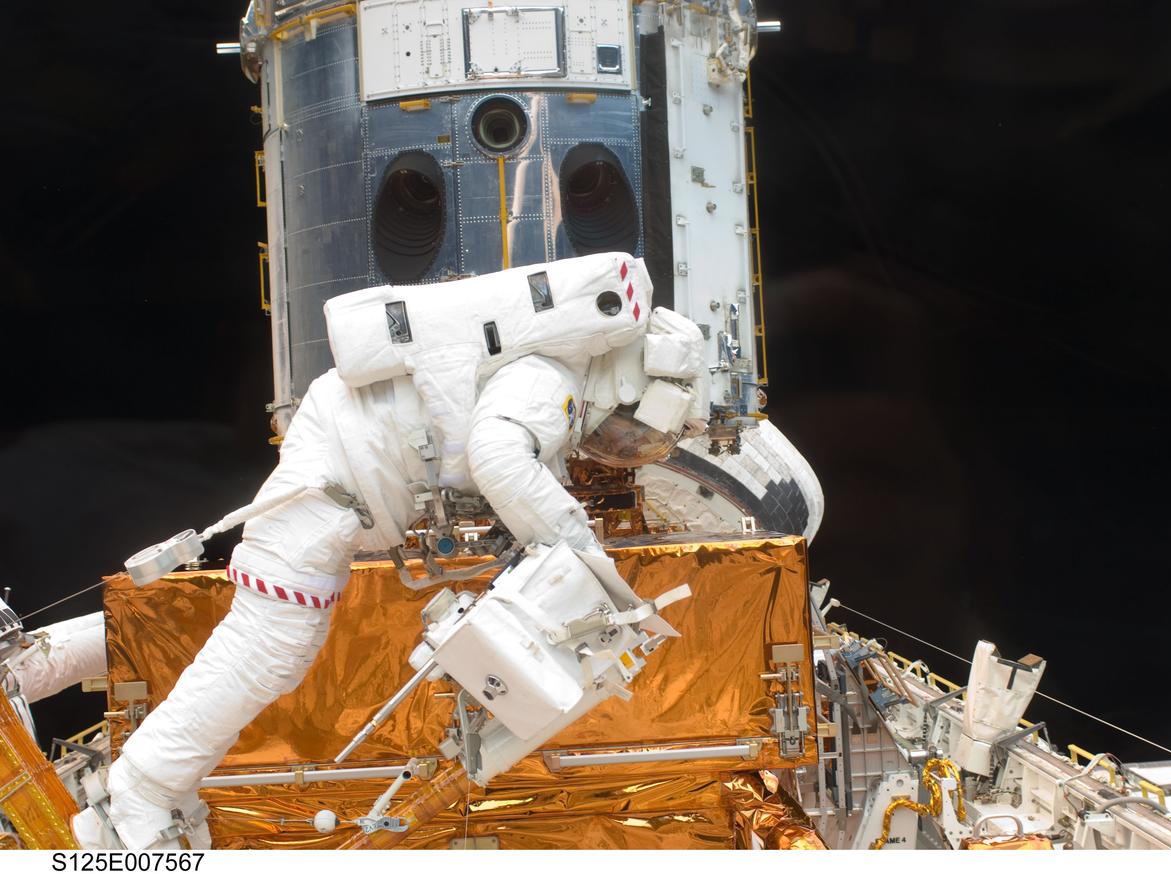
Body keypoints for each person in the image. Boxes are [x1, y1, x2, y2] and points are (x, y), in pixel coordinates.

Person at [79, 253, 707, 849]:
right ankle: (141, 790)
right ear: (625, 382)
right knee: (273, 642)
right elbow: (496, 455)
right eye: (631, 428)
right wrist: (580, 550)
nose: (620, 444)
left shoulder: (551, 374)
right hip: (331, 480)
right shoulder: (549, 381)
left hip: (338, 477)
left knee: (273, 643)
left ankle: (159, 785)